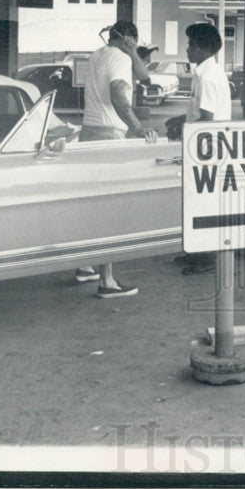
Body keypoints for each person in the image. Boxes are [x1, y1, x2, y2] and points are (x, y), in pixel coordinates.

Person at [73, 20, 158, 298]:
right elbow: (120, 96)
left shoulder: (97, 55)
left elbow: (144, 77)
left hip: (88, 132)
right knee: (110, 209)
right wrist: (139, 128)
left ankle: (86, 266)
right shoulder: (120, 58)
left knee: (90, 205)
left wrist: (132, 53)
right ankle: (108, 281)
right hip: (110, 135)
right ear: (130, 39)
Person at [167, 23, 232, 275]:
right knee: (197, 202)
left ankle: (205, 258)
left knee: (203, 203)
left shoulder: (208, 77)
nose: (187, 49)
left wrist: (184, 133)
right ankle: (195, 252)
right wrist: (180, 122)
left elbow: (206, 120)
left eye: (192, 45)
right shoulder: (204, 73)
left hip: (207, 148)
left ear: (204, 48)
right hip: (205, 146)